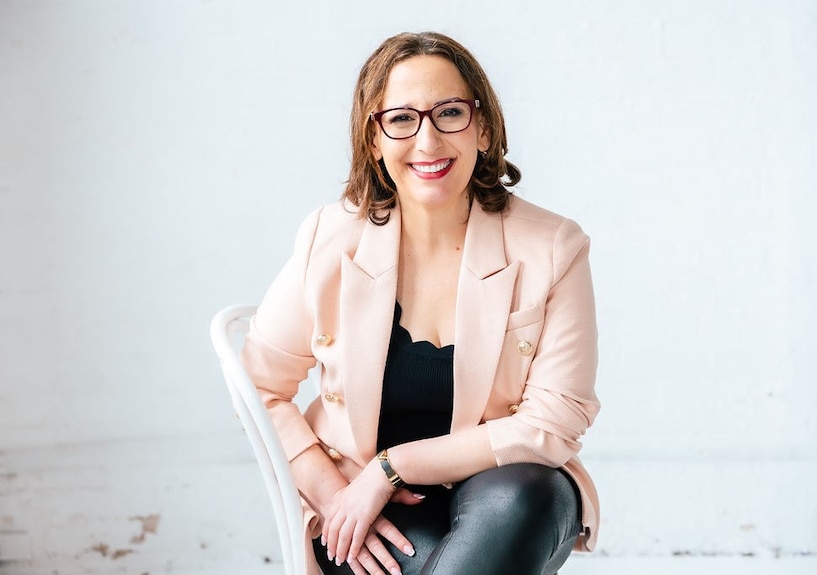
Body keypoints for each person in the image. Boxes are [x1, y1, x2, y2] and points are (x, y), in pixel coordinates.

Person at [240, 31, 600, 575]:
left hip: (501, 494)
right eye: (402, 119)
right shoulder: (330, 238)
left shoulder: (553, 246)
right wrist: (336, 495)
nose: (428, 142)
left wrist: (394, 465)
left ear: (482, 126)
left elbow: (553, 422)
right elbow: (262, 386)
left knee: (531, 495)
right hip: (366, 513)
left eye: (449, 112)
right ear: (374, 140)